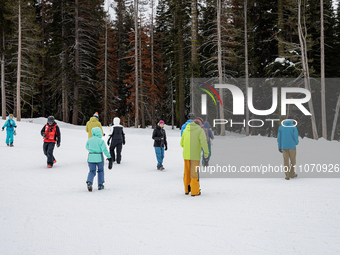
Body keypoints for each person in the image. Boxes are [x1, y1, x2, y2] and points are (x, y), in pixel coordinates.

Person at [180, 118, 209, 196]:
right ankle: (194, 191)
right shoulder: (200, 131)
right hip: (195, 156)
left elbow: (181, 144)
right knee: (194, 174)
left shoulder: (186, 130)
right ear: (199, 124)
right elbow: (204, 143)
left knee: (186, 173)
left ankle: (186, 190)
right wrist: (206, 153)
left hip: (186, 155)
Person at [86, 127, 113, 192]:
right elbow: (105, 150)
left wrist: (92, 150)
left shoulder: (89, 140)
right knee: (100, 170)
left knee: (92, 171)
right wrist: (109, 157)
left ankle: (89, 182)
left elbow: (86, 147)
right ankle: (100, 184)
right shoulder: (101, 141)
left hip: (91, 157)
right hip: (99, 157)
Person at [277, 116, 299, 180]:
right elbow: (295, 136)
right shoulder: (293, 127)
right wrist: (296, 142)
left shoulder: (281, 127)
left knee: (285, 161)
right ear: (292, 120)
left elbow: (279, 138)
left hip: (284, 146)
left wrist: (279, 146)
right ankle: (292, 174)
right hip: (292, 146)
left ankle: (287, 175)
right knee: (293, 160)